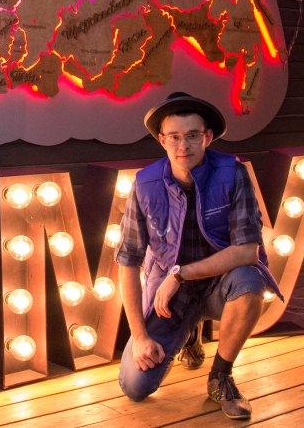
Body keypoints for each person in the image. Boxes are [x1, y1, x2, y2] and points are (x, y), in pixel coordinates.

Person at [115, 92, 282, 419]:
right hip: (171, 300)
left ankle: (221, 376)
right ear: (162, 140)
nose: (183, 146)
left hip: (220, 285)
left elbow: (247, 250)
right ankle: (188, 333)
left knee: (251, 281)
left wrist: (180, 275)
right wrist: (139, 336)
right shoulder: (145, 183)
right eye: (174, 137)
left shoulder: (233, 173)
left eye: (192, 135)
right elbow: (128, 261)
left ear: (207, 137)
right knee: (135, 386)